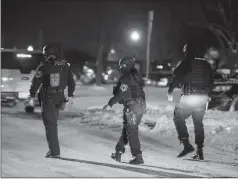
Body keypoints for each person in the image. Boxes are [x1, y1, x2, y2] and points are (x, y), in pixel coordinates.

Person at [167, 40, 214, 160]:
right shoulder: (206, 64)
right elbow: (211, 81)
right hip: (202, 97)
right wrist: (208, 94)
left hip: (189, 96)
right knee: (198, 123)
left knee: (178, 117)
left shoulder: (186, 62)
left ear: (186, 51)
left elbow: (175, 75)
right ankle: (200, 151)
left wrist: (171, 89)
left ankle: (186, 145)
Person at [28, 43, 76, 158]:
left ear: (47, 54)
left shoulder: (44, 66)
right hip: (60, 97)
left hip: (48, 97)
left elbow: (36, 82)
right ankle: (54, 150)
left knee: (50, 125)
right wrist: (70, 95)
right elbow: (71, 82)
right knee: (53, 123)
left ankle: (54, 152)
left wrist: (31, 95)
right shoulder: (65, 65)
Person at [103, 56, 146, 165]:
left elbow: (121, 93)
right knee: (127, 130)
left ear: (126, 66)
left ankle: (138, 156)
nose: (120, 68)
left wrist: (110, 104)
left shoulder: (126, 78)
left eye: (122, 66)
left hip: (132, 106)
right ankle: (118, 152)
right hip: (140, 105)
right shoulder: (136, 76)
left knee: (131, 131)